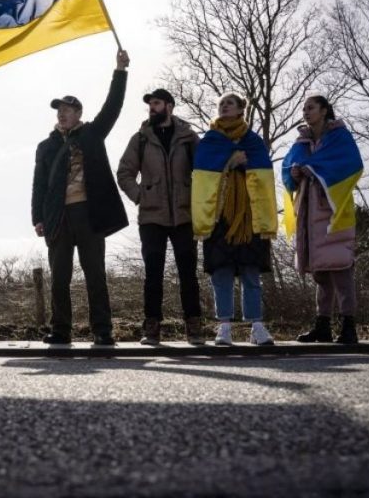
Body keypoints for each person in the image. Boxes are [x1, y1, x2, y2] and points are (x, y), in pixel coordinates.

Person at [32, 50, 130, 345]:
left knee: (95, 275)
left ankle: (102, 330)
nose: (62, 113)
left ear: (79, 114)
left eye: (68, 108)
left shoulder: (91, 134)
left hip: (89, 214)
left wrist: (120, 71)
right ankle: (60, 330)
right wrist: (37, 217)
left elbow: (112, 107)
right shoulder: (45, 146)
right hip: (58, 217)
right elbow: (38, 184)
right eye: (59, 109)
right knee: (59, 277)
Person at [116, 88, 203, 345]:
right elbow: (124, 172)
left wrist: (196, 197)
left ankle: (195, 327)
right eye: (150, 104)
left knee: (188, 273)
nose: (151, 108)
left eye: (156, 103)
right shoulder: (140, 138)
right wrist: (141, 195)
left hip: (185, 214)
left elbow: (205, 171)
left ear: (169, 106)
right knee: (153, 273)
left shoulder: (189, 137)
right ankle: (152, 328)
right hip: (151, 217)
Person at [191, 93, 278, 346]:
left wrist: (242, 165)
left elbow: (263, 177)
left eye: (230, 103)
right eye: (221, 104)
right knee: (222, 273)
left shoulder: (254, 141)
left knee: (251, 273)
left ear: (242, 110)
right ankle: (224, 327)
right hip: (219, 217)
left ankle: (257, 326)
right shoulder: (210, 141)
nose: (224, 106)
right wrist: (230, 162)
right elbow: (203, 177)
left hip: (250, 216)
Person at [283, 96, 364, 344]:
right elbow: (288, 167)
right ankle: (323, 325)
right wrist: (294, 173)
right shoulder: (302, 141)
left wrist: (313, 168)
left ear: (324, 110)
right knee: (320, 272)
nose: (306, 112)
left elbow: (351, 165)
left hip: (333, 210)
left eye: (311, 107)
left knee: (340, 268)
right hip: (309, 211)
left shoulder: (340, 137)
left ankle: (349, 326)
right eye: (304, 108)